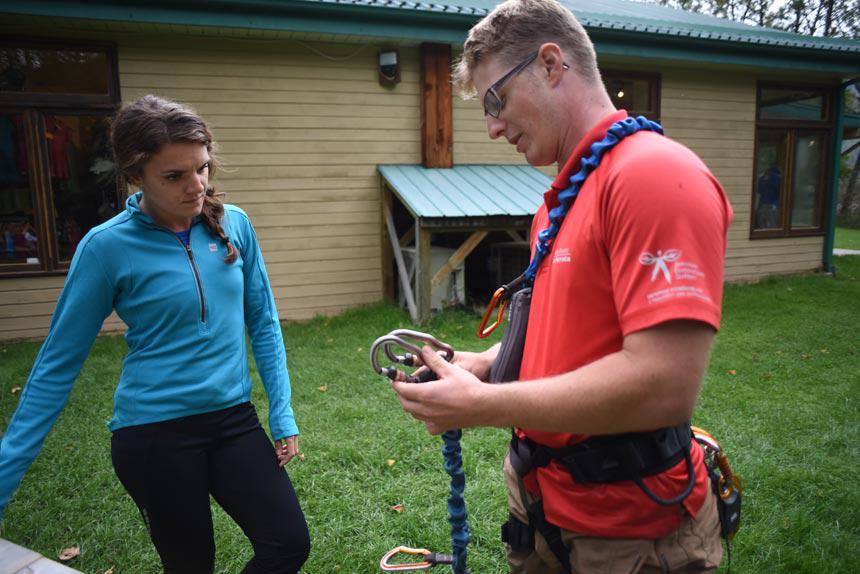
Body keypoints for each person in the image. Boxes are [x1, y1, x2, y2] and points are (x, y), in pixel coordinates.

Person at [391, 1, 733, 572]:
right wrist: (486, 364)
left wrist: (482, 405)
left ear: (551, 64)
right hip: (544, 509)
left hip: (628, 530)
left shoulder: (653, 176)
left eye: (495, 100)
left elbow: (664, 386)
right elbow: (571, 335)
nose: (493, 127)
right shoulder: (563, 198)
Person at [0, 95, 311, 573]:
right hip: (154, 435)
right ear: (135, 175)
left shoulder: (235, 225)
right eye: (174, 176)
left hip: (233, 420)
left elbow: (264, 324)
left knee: (288, 544)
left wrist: (282, 412)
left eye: (202, 168)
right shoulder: (106, 248)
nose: (197, 186)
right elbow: (55, 367)